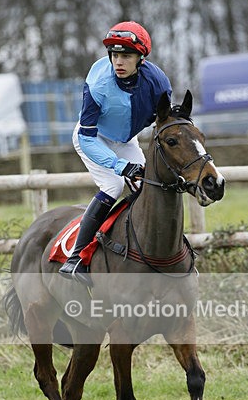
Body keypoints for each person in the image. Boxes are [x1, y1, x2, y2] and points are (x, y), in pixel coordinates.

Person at [59, 21, 172, 283]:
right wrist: (120, 166)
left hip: (126, 140)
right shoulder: (98, 83)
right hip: (93, 139)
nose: (118, 62)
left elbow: (166, 122)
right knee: (113, 185)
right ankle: (76, 259)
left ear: (141, 58)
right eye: (114, 55)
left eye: (127, 56)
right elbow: (86, 137)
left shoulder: (158, 83)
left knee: (148, 186)